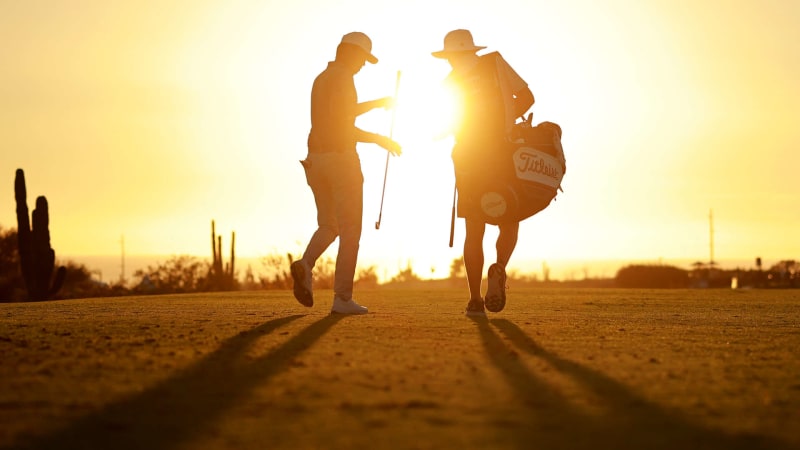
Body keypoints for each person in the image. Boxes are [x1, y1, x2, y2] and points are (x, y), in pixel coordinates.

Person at [291, 32, 401, 315]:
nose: (363, 65)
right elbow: (344, 122)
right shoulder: (343, 79)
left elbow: (336, 119)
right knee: (350, 231)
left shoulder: (322, 78)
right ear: (349, 53)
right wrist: (379, 133)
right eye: (363, 59)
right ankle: (342, 299)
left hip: (315, 160)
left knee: (329, 225)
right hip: (341, 161)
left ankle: (305, 264)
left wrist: (376, 113)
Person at [432, 29, 534, 316]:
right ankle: (499, 268)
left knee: (474, 228)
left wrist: (440, 132)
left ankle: (475, 301)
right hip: (503, 151)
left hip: (468, 157)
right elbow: (527, 97)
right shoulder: (495, 64)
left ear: (456, 55)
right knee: (509, 217)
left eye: (452, 56)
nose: (451, 62)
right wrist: (506, 121)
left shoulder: (449, 83)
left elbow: (446, 124)